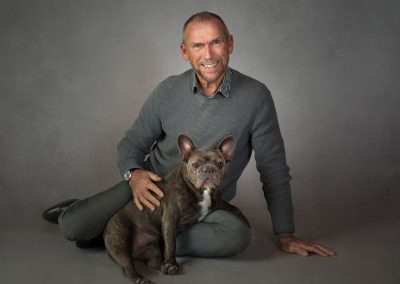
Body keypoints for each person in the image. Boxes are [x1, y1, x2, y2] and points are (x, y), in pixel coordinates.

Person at [43, 11, 335, 257]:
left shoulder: (256, 97)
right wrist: (135, 175)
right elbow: (132, 142)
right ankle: (79, 213)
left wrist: (286, 234)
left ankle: (130, 239)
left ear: (230, 44)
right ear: (185, 52)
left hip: (204, 201)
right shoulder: (167, 90)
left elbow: (273, 168)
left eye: (216, 42)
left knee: (235, 237)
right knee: (74, 228)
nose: (208, 55)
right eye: (197, 46)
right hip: (152, 189)